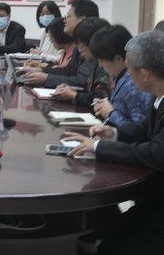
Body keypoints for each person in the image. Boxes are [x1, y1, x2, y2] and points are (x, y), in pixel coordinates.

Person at [65, 30, 164, 254]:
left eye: (130, 68)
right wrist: (114, 134)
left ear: (145, 74)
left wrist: (99, 147)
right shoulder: (159, 94)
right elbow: (145, 128)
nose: (127, 74)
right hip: (154, 196)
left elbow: (157, 153)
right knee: (106, 228)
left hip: (160, 205)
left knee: (116, 240)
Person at [21, 0, 99, 87]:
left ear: (82, 19)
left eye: (68, 16)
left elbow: (82, 81)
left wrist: (46, 78)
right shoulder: (79, 43)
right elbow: (67, 71)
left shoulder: (92, 45)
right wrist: (40, 70)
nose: (64, 21)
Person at [87, 25, 153, 125]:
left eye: (101, 60)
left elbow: (139, 128)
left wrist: (111, 113)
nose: (100, 64)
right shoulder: (122, 74)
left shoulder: (133, 83)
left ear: (118, 59)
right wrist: (105, 104)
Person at [51, 18, 111, 106]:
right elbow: (90, 91)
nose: (79, 50)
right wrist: (72, 89)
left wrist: (74, 96)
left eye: (81, 46)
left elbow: (100, 98)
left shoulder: (107, 66)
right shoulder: (96, 63)